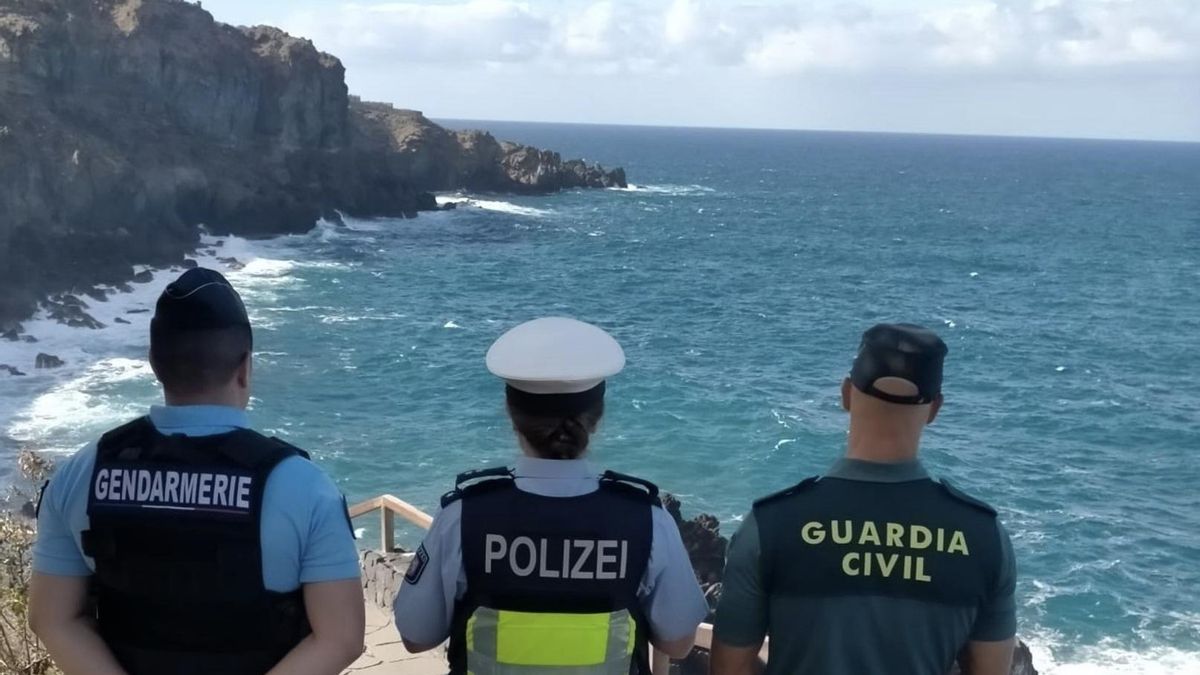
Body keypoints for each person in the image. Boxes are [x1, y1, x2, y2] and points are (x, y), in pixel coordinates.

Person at [29, 268, 365, 675]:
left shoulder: (81, 474)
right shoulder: (305, 487)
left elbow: (53, 619)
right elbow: (341, 638)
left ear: (154, 364)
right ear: (245, 369)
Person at [393, 317, 709, 674]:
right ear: (597, 418)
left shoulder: (462, 516)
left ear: (511, 414)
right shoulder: (646, 519)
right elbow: (678, 643)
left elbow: (415, 637)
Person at [710, 323, 1018, 675]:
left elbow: (728, 670)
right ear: (935, 409)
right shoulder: (984, 538)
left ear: (845, 394)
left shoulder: (770, 526)